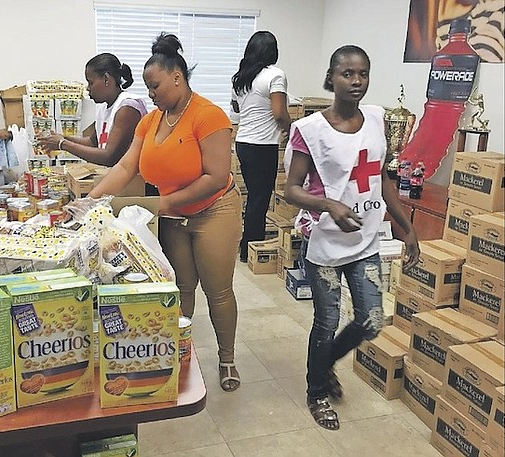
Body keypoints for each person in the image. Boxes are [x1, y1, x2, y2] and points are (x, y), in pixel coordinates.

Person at [89, 33, 243, 392]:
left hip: (213, 210)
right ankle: (179, 350)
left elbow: (216, 176)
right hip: (172, 213)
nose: (151, 94)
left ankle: (227, 358)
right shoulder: (152, 120)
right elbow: (126, 167)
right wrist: (93, 200)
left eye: (155, 86)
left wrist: (166, 205)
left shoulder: (209, 116)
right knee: (179, 286)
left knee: (217, 291)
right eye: (147, 87)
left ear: (177, 77)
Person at [284, 45, 420, 430]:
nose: (356, 81)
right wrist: (328, 205)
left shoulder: (377, 118)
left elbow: (382, 180)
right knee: (326, 322)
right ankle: (317, 391)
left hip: (365, 241)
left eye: (362, 73)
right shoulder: (310, 130)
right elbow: (291, 189)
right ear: (332, 77)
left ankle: (322, 365)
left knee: (372, 320)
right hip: (325, 243)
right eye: (347, 74)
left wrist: (406, 229)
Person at [231, 31, 291, 262]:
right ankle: (250, 249)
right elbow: (279, 112)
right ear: (272, 51)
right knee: (260, 198)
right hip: (263, 146)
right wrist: (291, 126)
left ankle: (247, 245)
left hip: (244, 143)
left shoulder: (241, 78)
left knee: (254, 197)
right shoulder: (276, 75)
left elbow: (235, 111)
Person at [37, 53, 147, 167]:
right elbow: (93, 142)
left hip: (133, 182)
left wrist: (62, 144)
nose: (88, 88)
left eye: (91, 82)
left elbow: (109, 156)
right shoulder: (103, 108)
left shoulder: (127, 108)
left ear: (106, 79)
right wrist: (61, 138)